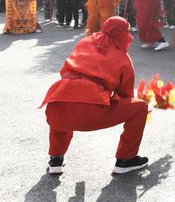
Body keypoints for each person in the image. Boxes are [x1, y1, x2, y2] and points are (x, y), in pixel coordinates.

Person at [40, 16, 149, 175]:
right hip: (90, 112)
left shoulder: (85, 42)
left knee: (63, 105)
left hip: (57, 100)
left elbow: (65, 70)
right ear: (123, 35)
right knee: (140, 107)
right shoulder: (123, 58)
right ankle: (126, 160)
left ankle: (55, 160)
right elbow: (125, 96)